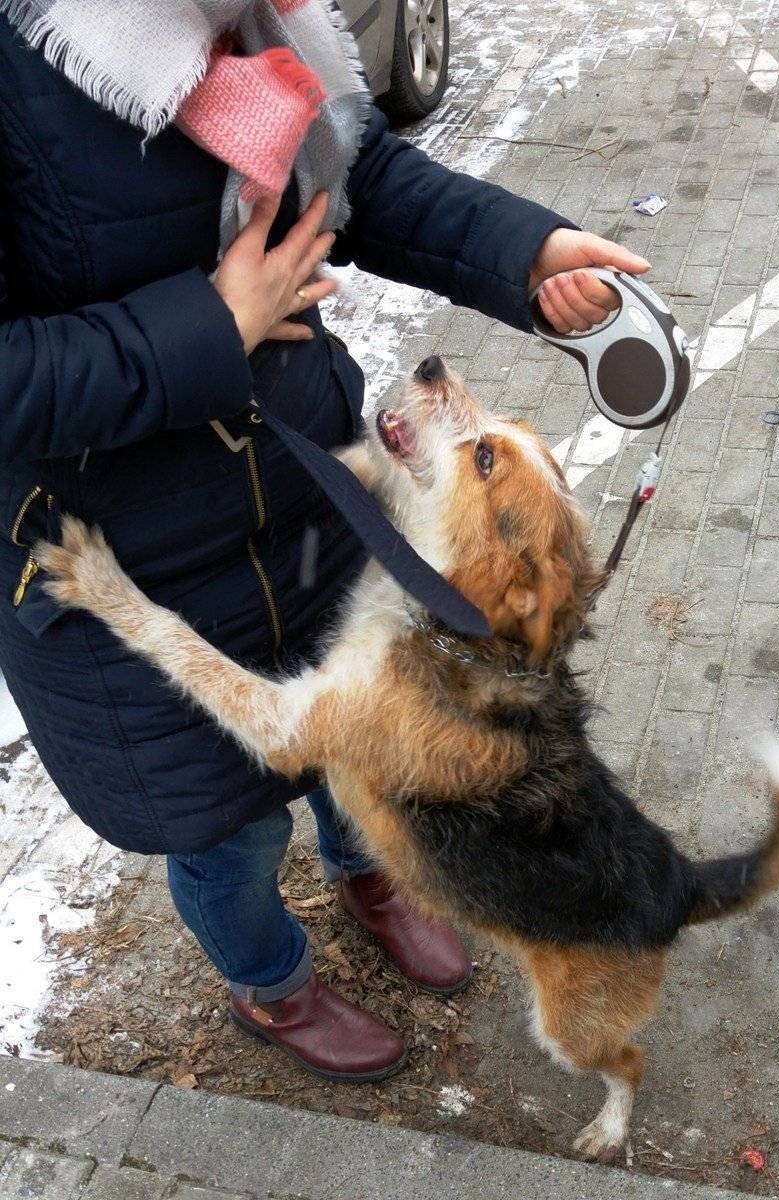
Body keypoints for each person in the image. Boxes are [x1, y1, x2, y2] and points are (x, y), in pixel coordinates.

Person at [0, 2, 650, 1081]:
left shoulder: (248, 21)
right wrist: (206, 329)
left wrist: (522, 251)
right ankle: (272, 984)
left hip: (313, 493)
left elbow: (354, 175)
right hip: (134, 546)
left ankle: (373, 875)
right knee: (233, 835)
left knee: (363, 759)